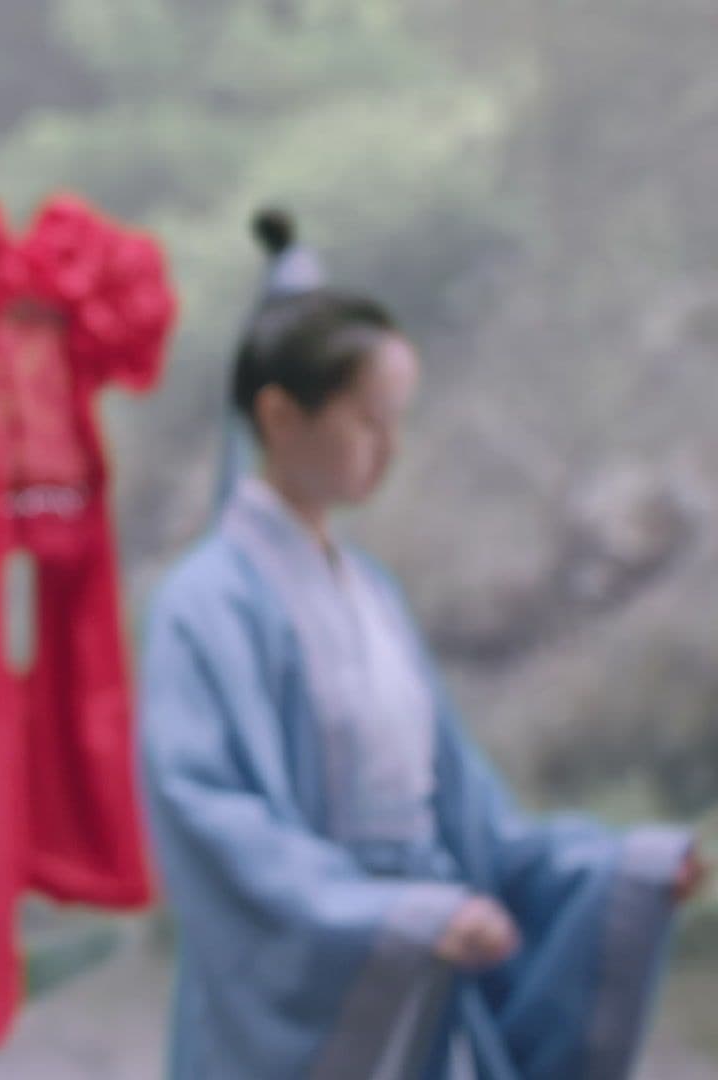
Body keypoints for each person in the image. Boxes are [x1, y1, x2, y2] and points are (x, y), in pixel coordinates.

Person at [137, 210, 706, 1078]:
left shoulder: (371, 594)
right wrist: (387, 918)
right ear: (281, 415)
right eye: (368, 421)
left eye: (396, 420)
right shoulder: (206, 604)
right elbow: (217, 824)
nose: (390, 448)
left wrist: (621, 871)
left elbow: (470, 820)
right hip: (331, 983)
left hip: (426, 974)